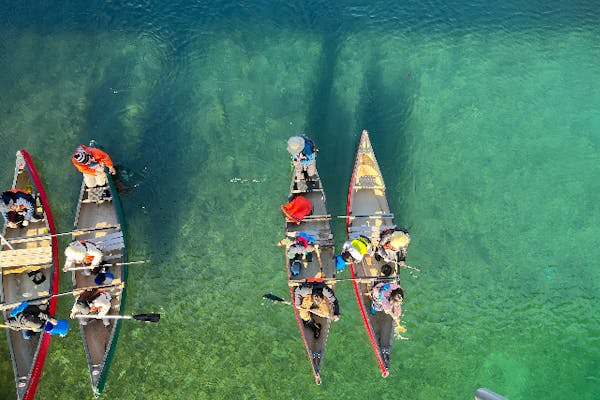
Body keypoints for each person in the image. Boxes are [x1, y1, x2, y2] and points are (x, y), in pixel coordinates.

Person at [5, 301, 69, 339]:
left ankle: (19, 312)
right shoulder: (39, 325)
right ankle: (17, 311)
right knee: (26, 336)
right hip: (22, 315)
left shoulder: (48, 315)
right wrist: (15, 325)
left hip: (30, 312)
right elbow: (23, 320)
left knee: (29, 333)